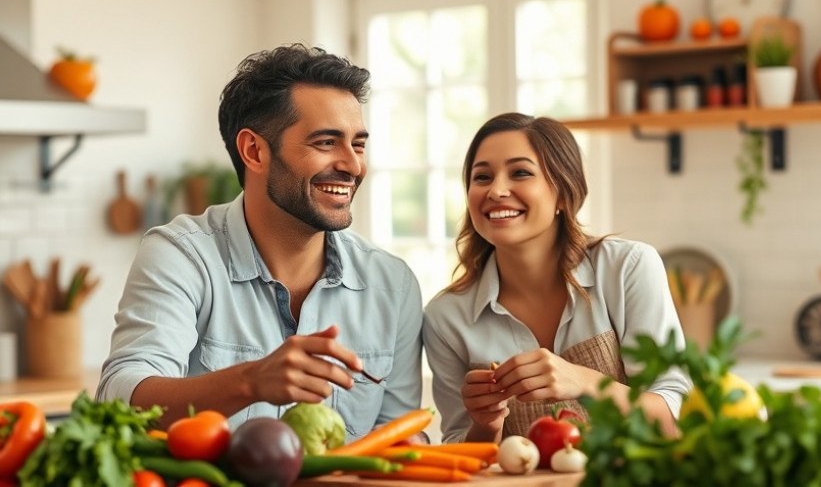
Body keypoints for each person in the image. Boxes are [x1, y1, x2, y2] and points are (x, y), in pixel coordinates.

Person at [96, 43, 424, 440]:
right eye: (325, 142)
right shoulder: (181, 256)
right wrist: (249, 381)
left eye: (358, 144)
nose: (353, 165)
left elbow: (401, 437)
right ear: (254, 151)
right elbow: (120, 399)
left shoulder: (393, 284)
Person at [424, 112, 690, 444]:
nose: (496, 190)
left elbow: (676, 416)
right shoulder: (446, 317)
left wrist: (584, 382)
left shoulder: (627, 267)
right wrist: (486, 425)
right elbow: (458, 454)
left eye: (520, 172)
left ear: (563, 193)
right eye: (482, 177)